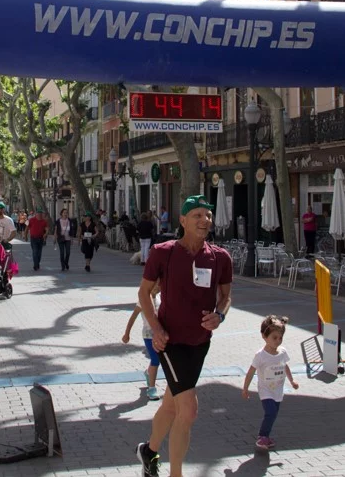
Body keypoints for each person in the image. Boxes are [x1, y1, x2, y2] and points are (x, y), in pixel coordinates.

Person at [135, 195, 232, 477]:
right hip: (169, 341)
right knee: (188, 410)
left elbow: (226, 296)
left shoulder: (220, 257)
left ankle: (148, 451)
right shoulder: (162, 252)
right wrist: (156, 328)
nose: (204, 221)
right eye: (197, 215)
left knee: (171, 405)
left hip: (200, 343)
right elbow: (143, 293)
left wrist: (220, 315)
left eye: (208, 216)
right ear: (183, 220)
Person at [243, 315, 299, 451]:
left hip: (278, 390)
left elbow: (285, 366)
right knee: (271, 412)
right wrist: (245, 388)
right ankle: (262, 437)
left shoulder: (282, 352)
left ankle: (266, 437)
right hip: (265, 390)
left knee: (273, 414)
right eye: (274, 337)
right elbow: (251, 371)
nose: (278, 341)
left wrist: (292, 381)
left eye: (280, 338)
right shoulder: (260, 355)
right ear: (264, 336)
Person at [123, 279, 163, 401]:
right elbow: (133, 317)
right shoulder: (143, 300)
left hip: (160, 334)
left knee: (157, 360)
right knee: (155, 360)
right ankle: (151, 388)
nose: (158, 286)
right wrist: (127, 333)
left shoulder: (161, 299)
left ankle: (148, 373)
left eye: (160, 284)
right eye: (156, 284)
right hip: (148, 335)